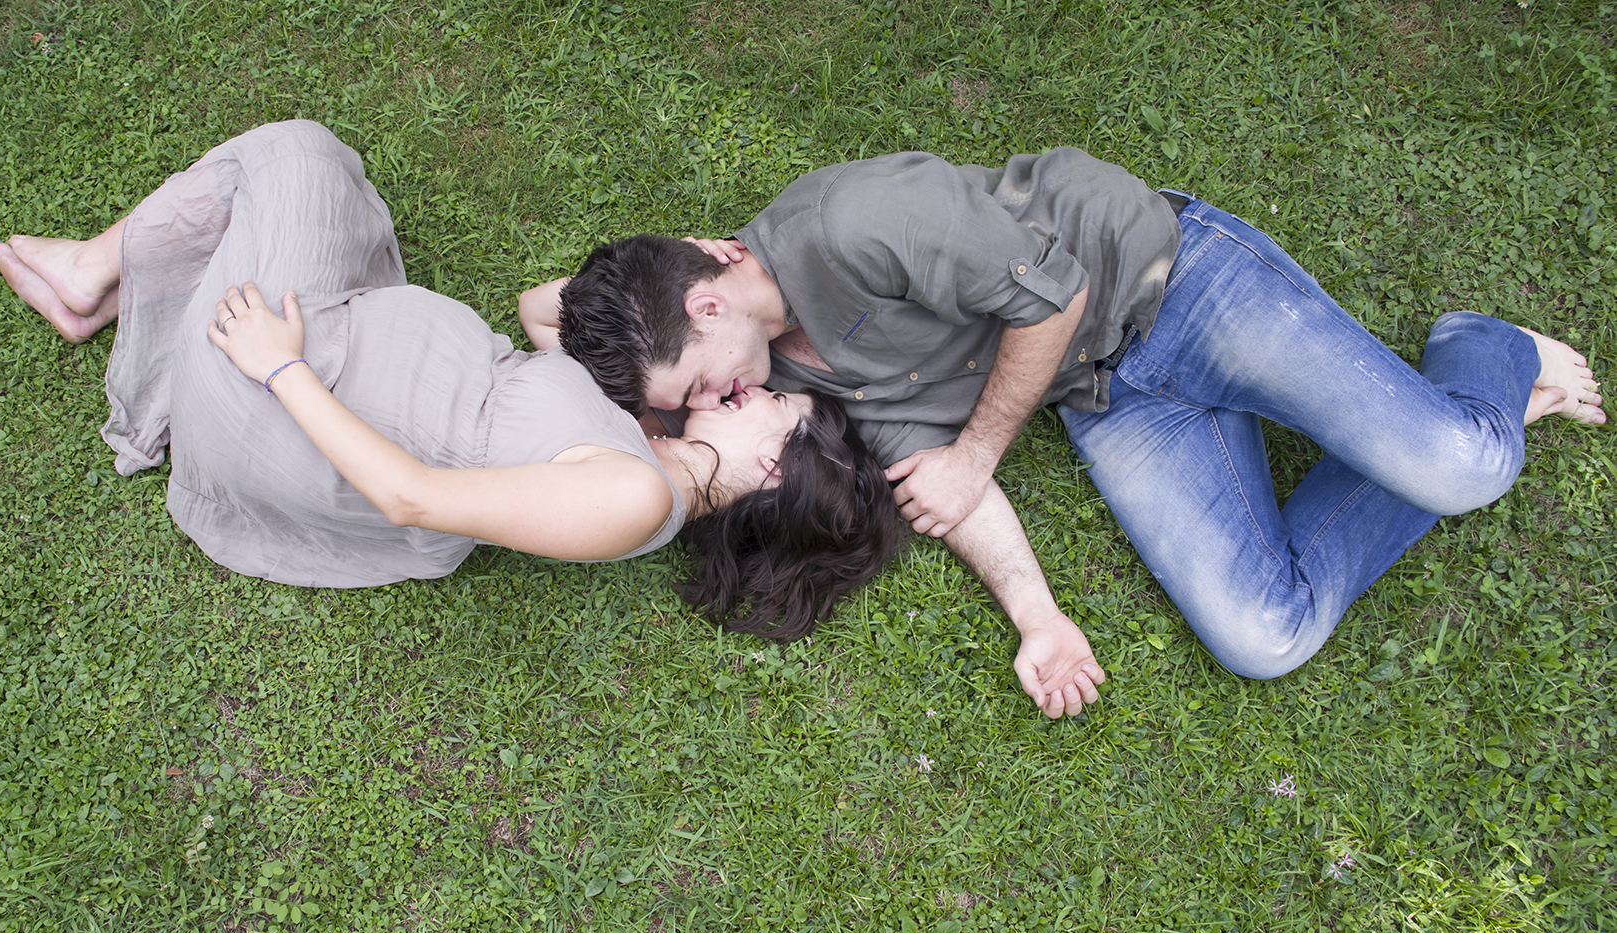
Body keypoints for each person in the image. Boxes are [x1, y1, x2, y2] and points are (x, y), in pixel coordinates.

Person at [540, 148, 1605, 719]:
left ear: (715, 300)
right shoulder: (797, 383)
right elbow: (545, 312)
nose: (696, 410)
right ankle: (1424, 417)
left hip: (1170, 285)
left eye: (689, 387)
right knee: (1261, 636)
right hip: (1109, 396)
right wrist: (1037, 618)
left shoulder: (851, 223)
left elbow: (1046, 302)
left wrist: (977, 449)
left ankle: (1480, 353)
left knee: (1460, 465)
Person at [0, 121, 899, 633]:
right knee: (327, 191)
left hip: (280, 399)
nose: (748, 387)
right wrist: (685, 291)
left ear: (775, 465)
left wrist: (282, 367)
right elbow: (543, 308)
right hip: (332, 350)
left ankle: (95, 277)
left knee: (298, 155)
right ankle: (150, 289)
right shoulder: (650, 443)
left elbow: (412, 498)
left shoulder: (632, 498)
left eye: (769, 400)